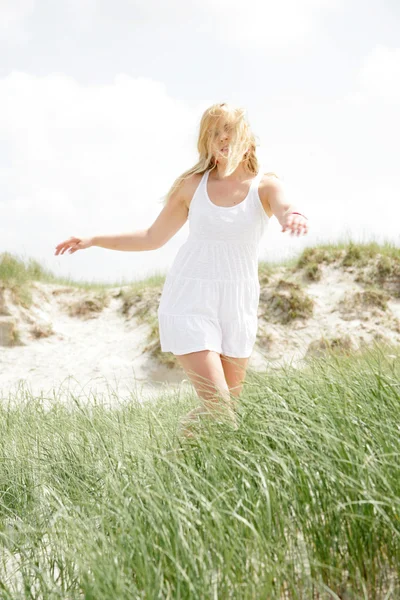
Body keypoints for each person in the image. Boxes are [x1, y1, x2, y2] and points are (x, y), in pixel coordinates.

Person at [55, 102, 309, 439]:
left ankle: (176, 461)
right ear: (205, 142)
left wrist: (295, 215)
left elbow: (286, 205)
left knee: (224, 415)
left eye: (231, 132)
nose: (224, 139)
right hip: (191, 302)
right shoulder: (191, 186)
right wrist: (94, 239)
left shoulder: (265, 186)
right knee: (221, 412)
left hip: (238, 304)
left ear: (248, 140)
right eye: (216, 133)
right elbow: (151, 237)